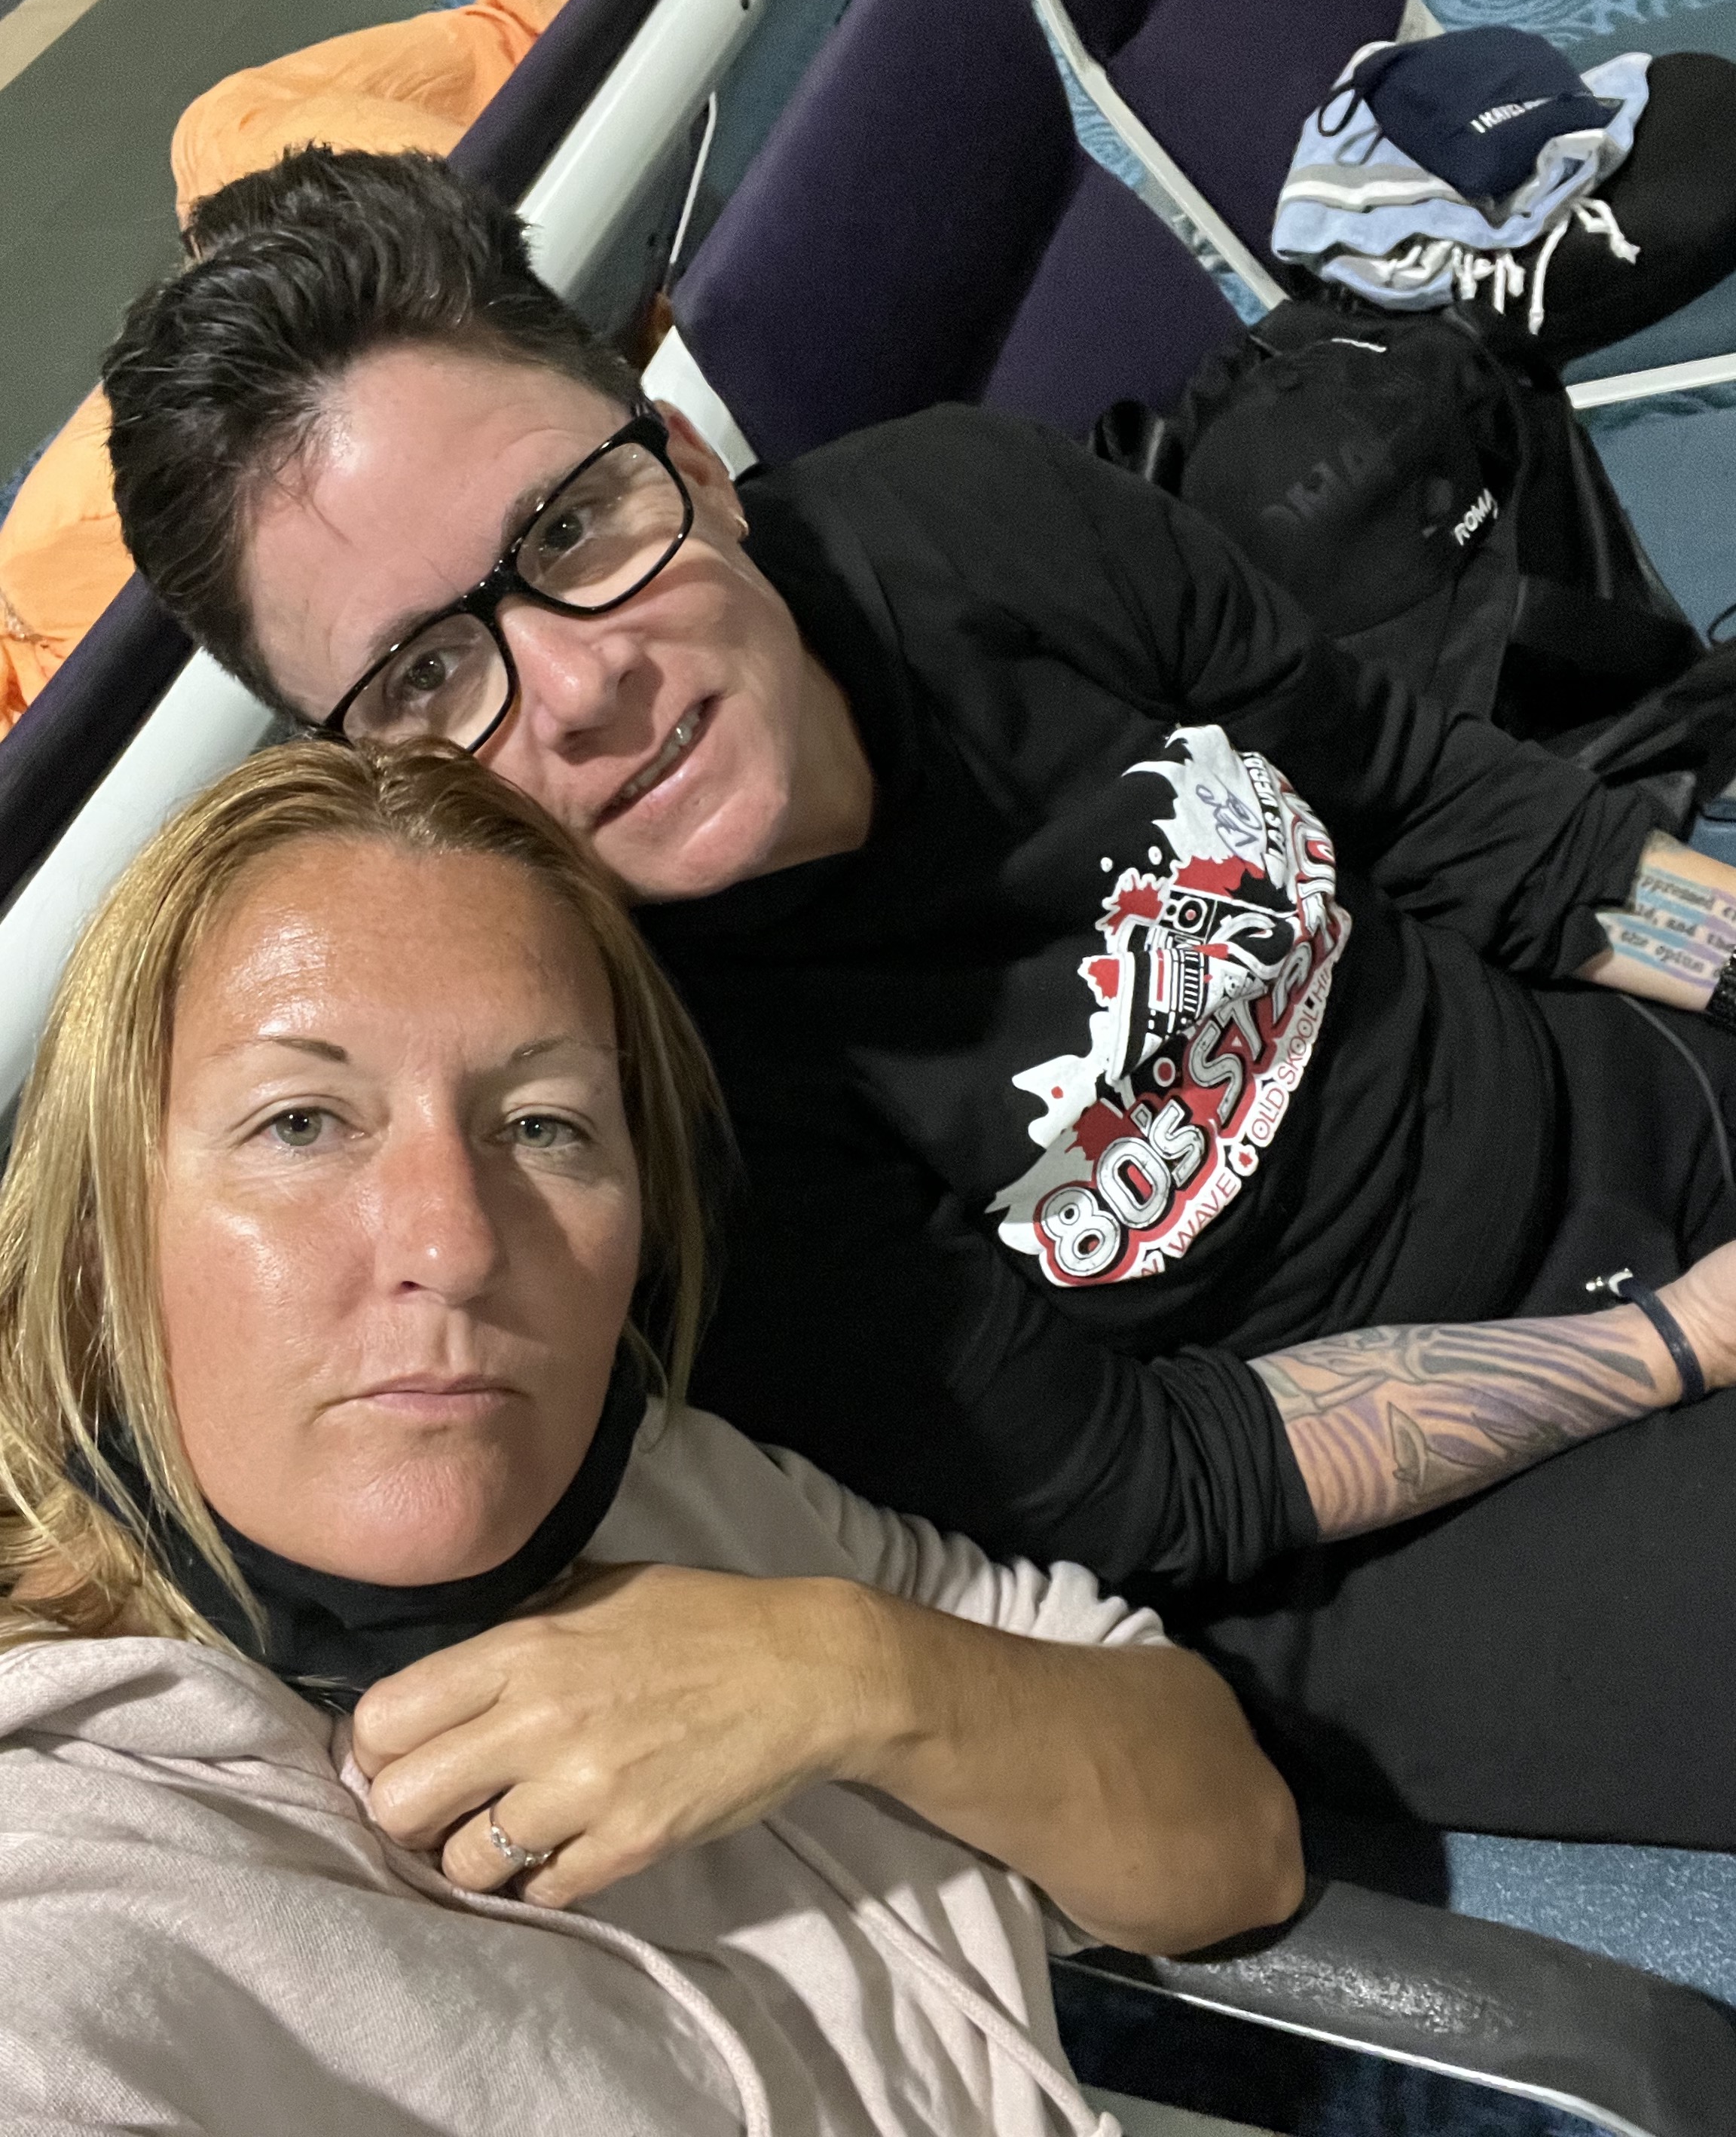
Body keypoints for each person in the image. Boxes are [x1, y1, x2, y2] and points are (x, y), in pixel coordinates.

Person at [100, 145, 1736, 1845]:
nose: (578, 685)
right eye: (428, 672)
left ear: (691, 465)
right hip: (1376, 1519)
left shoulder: (966, 515)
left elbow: (1436, 807)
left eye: (571, 527)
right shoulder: (623, 1087)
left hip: (1614, 1106)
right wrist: (1677, 1342)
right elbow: (1156, 1477)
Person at [0, 736, 1307, 2135]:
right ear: (95, 1240)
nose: (454, 1243)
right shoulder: (68, 1873)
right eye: (302, 1123)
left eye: (543, 1126)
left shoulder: (681, 1491)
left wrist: (853, 1674)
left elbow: (1239, 1847)